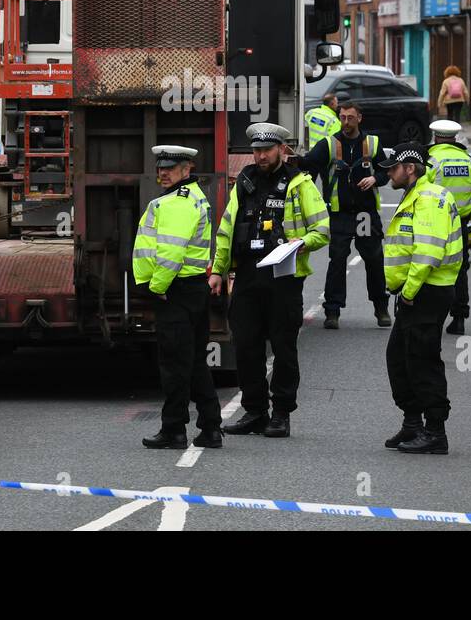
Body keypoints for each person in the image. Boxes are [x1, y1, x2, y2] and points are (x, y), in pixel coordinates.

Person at [213, 123, 329, 438]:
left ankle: (281, 413)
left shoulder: (300, 184)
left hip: (284, 277)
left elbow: (322, 230)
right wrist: (217, 271)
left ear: (282, 149)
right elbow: (226, 230)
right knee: (246, 345)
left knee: (283, 347)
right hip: (249, 275)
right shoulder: (245, 182)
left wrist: (299, 243)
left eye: (267, 150)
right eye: (257, 150)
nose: (261, 155)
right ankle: (254, 411)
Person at [133, 146, 222, 450]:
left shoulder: (175, 203)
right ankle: (210, 428)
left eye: (171, 167)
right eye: (160, 167)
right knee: (195, 361)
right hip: (192, 288)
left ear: (188, 169)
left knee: (174, 364)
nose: (163, 172)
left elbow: (171, 252)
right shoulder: (194, 195)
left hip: (176, 290)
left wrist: (157, 287)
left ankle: (174, 430)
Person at [379, 142, 463, 455]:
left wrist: (410, 292)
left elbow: (428, 252)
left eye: (393, 167)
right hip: (416, 291)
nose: (388, 172)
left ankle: (435, 431)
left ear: (410, 169)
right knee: (399, 358)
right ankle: (413, 422)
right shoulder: (416, 195)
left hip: (427, 291)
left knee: (423, 361)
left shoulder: (428, 199)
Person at [299, 101, 388, 329]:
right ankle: (333, 311)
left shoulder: (373, 143)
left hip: (365, 215)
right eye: (342, 117)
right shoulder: (329, 144)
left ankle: (380, 307)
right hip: (340, 215)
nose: (345, 122)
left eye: (350, 117)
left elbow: (387, 170)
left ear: (360, 118)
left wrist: (375, 178)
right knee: (337, 261)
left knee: (374, 260)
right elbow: (308, 165)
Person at [426, 120, 471, 337]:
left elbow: (423, 191)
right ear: (455, 137)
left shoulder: (431, 160)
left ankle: (433, 315)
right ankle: (459, 318)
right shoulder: (470, 161)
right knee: (459, 269)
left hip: (434, 222)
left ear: (436, 137)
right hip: (460, 222)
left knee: (431, 266)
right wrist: (467, 215)